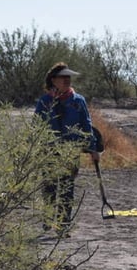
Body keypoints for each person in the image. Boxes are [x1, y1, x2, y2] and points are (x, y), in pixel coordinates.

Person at [34, 63, 100, 233]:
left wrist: (93, 148)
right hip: (48, 151)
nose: (66, 80)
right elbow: (36, 126)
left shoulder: (78, 100)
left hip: (70, 151)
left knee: (66, 188)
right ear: (53, 80)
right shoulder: (45, 101)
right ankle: (48, 220)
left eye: (68, 77)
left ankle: (63, 225)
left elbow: (87, 125)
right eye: (63, 77)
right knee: (49, 188)